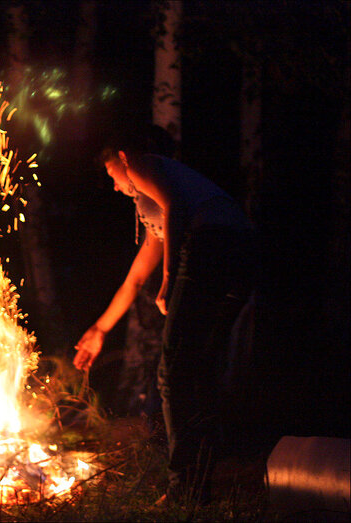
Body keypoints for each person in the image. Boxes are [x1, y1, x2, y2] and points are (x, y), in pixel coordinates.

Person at [73, 126, 255, 504]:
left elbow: (175, 207)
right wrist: (99, 329)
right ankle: (200, 481)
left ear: (122, 158)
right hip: (240, 250)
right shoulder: (155, 212)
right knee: (196, 371)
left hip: (215, 244)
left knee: (173, 372)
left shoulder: (141, 164)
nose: (114, 186)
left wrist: (172, 277)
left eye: (112, 175)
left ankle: (184, 488)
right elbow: (135, 278)